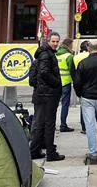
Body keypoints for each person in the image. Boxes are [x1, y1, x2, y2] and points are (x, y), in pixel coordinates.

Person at [29, 32, 65, 161]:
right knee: (48, 124)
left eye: (57, 41)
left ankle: (35, 150)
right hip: (48, 94)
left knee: (39, 123)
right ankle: (50, 152)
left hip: (41, 93)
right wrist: (57, 83)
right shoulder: (46, 55)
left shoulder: (42, 54)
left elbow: (35, 77)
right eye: (53, 41)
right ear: (48, 41)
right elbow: (44, 73)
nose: (55, 44)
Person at [74, 40, 97, 135]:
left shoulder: (76, 57)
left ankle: (84, 127)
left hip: (83, 86)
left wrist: (78, 91)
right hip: (95, 83)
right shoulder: (90, 57)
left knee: (83, 109)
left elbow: (75, 73)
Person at [56, 38, 75, 132]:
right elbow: (72, 71)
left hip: (55, 83)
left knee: (53, 105)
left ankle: (51, 124)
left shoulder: (56, 54)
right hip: (66, 83)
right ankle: (63, 125)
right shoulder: (69, 56)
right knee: (65, 104)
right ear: (69, 45)